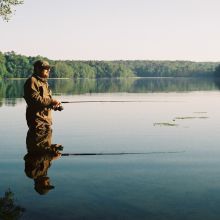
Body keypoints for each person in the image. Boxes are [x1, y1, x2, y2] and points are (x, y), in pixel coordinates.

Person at [23, 60, 61, 130]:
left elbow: (44, 102)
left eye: (49, 68)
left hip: (46, 123)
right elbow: (35, 100)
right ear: (38, 69)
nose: (48, 70)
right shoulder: (32, 81)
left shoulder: (44, 83)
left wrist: (53, 105)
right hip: (37, 124)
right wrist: (51, 101)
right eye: (46, 68)